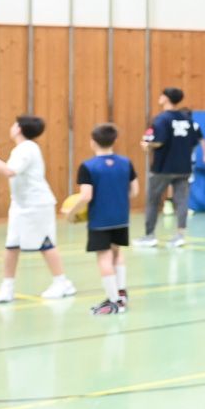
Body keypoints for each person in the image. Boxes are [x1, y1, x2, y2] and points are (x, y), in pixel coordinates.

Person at [0, 115, 77, 304]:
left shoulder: (27, 149)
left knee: (46, 244)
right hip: (20, 205)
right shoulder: (23, 149)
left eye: (14, 124)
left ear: (18, 129)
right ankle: (7, 286)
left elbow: (10, 171)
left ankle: (62, 283)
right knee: (11, 246)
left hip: (37, 205)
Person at [66, 124, 139, 316]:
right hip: (121, 217)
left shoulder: (88, 166)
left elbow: (86, 196)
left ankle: (114, 302)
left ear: (92, 142)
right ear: (115, 140)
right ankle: (121, 293)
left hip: (100, 219)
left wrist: (71, 213)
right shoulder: (126, 162)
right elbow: (134, 191)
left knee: (104, 258)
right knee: (117, 253)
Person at [136, 87, 205, 249]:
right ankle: (180, 235)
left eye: (161, 95)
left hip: (163, 168)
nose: (159, 97)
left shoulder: (162, 119)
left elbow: (159, 141)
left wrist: (147, 145)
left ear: (166, 98)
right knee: (182, 201)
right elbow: (193, 142)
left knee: (153, 200)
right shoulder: (187, 119)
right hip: (183, 166)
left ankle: (150, 236)